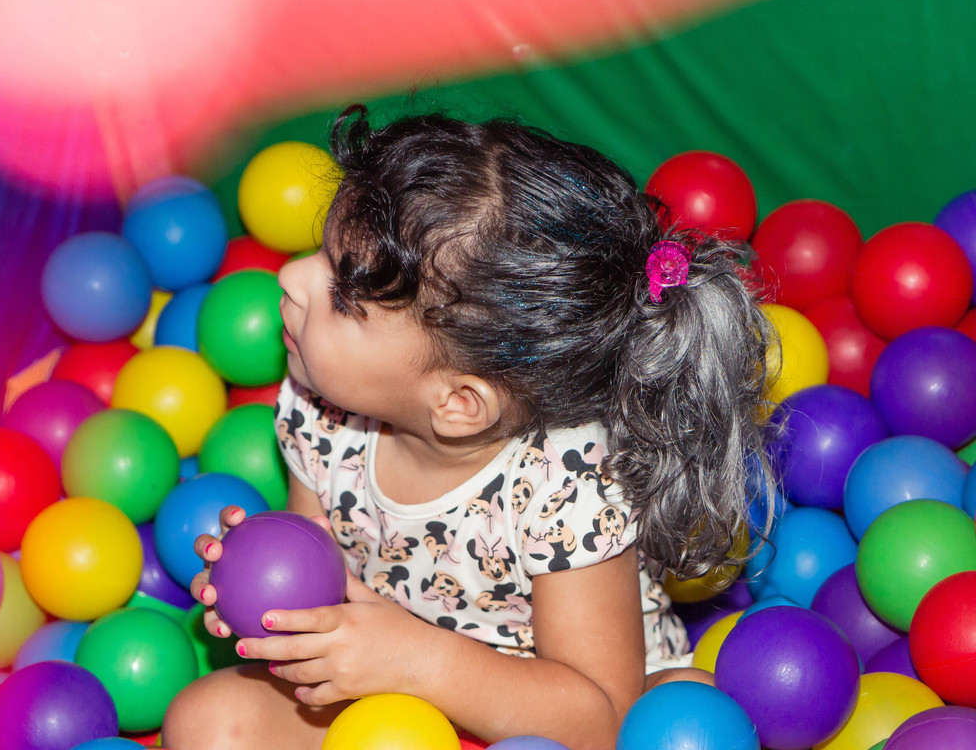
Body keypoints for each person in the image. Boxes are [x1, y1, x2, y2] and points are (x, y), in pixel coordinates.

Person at [162, 105, 774, 749]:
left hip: (546, 721)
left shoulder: (566, 487)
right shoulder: (320, 413)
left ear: (457, 403)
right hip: (390, 704)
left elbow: (601, 717)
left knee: (686, 714)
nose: (290, 277)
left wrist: (419, 662)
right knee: (209, 722)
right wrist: (269, 589)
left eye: (342, 297)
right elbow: (328, 595)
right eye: (321, 253)